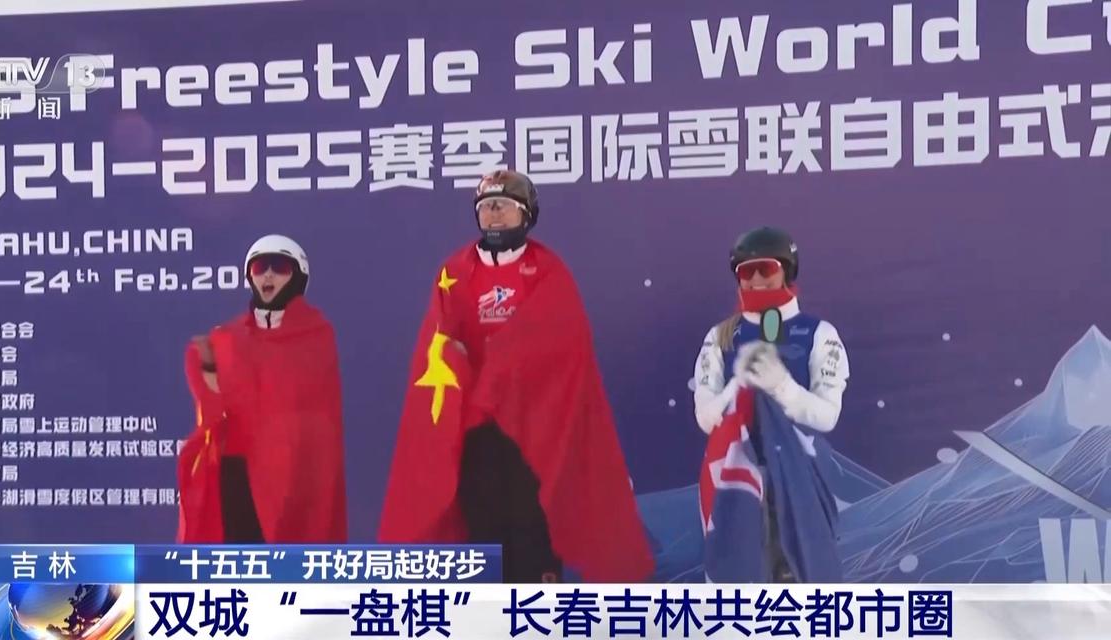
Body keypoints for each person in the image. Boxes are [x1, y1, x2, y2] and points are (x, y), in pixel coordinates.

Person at [379, 169, 654, 583]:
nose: (493, 214)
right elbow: (438, 343)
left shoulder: (547, 270)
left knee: (533, 526)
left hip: (534, 427)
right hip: (476, 428)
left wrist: (492, 367)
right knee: (482, 527)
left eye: (503, 206)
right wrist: (460, 364)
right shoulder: (455, 271)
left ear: (526, 215)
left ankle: (538, 606)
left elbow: (560, 341)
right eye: (486, 206)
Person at [693, 226, 850, 582]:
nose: (756, 279)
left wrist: (782, 386)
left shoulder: (820, 333)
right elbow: (705, 418)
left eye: (765, 268)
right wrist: (738, 384)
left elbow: (827, 416)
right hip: (737, 479)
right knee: (740, 579)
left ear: (787, 270)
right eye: (746, 271)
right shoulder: (720, 336)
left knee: (805, 578)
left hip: (800, 476)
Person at [177, 234, 347, 543]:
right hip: (237, 475)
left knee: (289, 560)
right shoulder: (225, 339)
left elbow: (315, 423)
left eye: (279, 266)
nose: (268, 274)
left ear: (298, 276)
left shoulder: (317, 334)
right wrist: (208, 368)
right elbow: (215, 412)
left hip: (295, 477)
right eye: (259, 267)